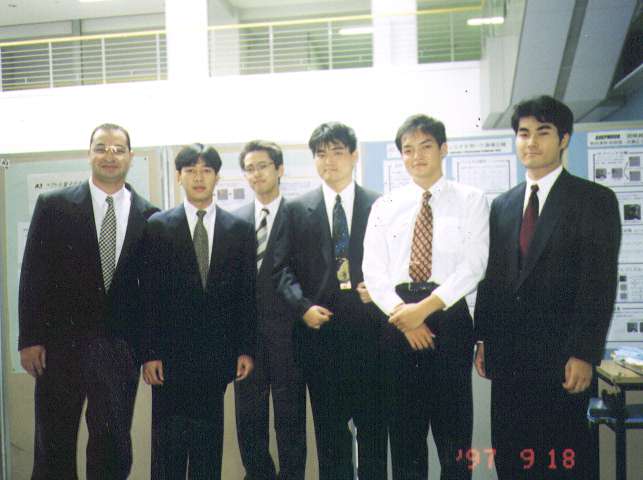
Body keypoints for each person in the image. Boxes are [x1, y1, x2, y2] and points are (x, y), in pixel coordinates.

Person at [474, 95, 621, 479]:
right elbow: (493, 278)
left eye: (543, 132)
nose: (531, 142)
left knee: (563, 462)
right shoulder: (503, 205)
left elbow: (599, 283)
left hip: (562, 360)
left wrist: (584, 353)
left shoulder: (594, 200)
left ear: (564, 139)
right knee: (513, 460)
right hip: (509, 361)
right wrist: (484, 339)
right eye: (523, 133)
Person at [18, 123, 159, 479]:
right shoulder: (54, 206)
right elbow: (33, 274)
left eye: (118, 149)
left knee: (112, 445)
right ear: (89, 154)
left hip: (118, 351)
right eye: (101, 147)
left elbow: (151, 294)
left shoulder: (150, 216)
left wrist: (149, 350)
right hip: (60, 346)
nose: (109, 155)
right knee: (54, 442)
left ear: (130, 157)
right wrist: (30, 339)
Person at [362, 114, 489, 479]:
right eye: (408, 149)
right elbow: (373, 271)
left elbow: (474, 265)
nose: (416, 156)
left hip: (448, 316)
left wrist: (423, 310)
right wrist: (405, 315)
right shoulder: (385, 205)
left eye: (425, 146)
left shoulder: (471, 200)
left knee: (454, 436)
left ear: (443, 149)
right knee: (405, 437)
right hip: (397, 319)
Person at [274, 122, 387, 479]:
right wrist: (302, 307)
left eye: (338, 152)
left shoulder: (381, 205)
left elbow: (397, 264)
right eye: (321, 154)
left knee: (373, 434)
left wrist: (382, 290)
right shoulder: (295, 209)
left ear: (355, 156)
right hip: (321, 338)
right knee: (331, 438)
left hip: (371, 336)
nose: (329, 161)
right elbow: (280, 269)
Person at [141, 143, 256, 480]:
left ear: (217, 177)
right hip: (169, 360)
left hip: (215, 358)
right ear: (179, 176)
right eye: (190, 170)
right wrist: (150, 353)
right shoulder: (158, 226)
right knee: (169, 452)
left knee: (207, 451)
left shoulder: (238, 230)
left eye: (206, 170)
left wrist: (245, 348)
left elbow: (246, 296)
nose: (199, 177)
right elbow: (148, 296)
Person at [234, 140, 306, 480]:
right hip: (248, 341)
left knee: (291, 420)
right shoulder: (234, 221)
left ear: (280, 169)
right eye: (249, 168)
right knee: (249, 420)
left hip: (291, 339)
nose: (256, 174)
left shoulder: (301, 217)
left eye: (262, 166)